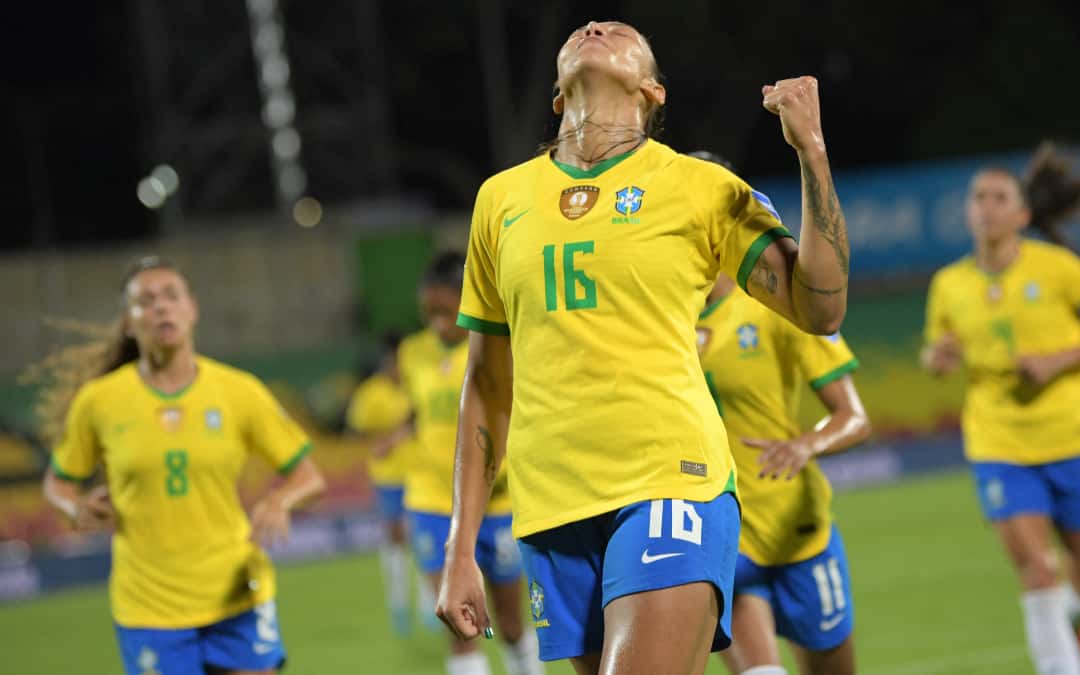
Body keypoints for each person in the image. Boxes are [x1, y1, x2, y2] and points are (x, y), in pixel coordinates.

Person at [438, 19, 852, 675]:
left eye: (617, 31)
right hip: (552, 508)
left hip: (669, 481)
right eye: (584, 28)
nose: (594, 26)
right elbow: (487, 387)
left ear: (652, 90)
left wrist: (813, 154)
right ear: (556, 97)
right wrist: (461, 548)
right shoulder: (500, 200)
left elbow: (821, 306)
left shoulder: (699, 187)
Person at [38, 256, 326, 675]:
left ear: (192, 309)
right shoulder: (98, 402)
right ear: (128, 322)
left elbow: (309, 477)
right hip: (149, 607)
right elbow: (58, 483)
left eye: (171, 296)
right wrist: (73, 507)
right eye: (146, 300)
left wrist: (280, 501)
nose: (160, 307)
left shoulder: (239, 391)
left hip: (236, 593)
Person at [921, 144, 1080, 675]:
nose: (987, 206)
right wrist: (936, 357)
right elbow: (936, 352)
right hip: (999, 444)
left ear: (1022, 215)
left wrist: (1058, 361)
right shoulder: (949, 285)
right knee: (1038, 574)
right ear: (968, 211)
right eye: (978, 197)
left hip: (1074, 436)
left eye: (999, 198)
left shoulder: (1059, 268)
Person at [690, 153, 870, 675]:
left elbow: (853, 416)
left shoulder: (778, 306)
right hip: (723, 533)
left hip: (797, 531)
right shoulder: (660, 319)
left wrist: (804, 445)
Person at [401, 252, 542, 675]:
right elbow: (422, 412)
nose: (437, 321)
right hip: (432, 502)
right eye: (429, 312)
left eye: (445, 310)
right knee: (462, 629)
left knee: (511, 624)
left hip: (496, 505)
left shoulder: (502, 348)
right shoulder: (412, 353)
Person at [344, 330, 437, 634]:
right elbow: (356, 431)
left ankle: (428, 604)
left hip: (421, 472)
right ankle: (398, 601)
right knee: (395, 537)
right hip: (388, 477)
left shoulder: (418, 385)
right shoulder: (371, 394)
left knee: (424, 537)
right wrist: (381, 441)